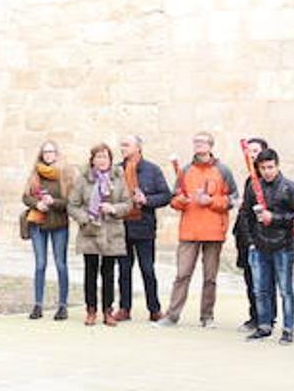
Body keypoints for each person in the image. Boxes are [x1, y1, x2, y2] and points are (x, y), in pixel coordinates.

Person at [159, 132, 238, 328]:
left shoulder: (223, 170)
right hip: (189, 230)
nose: (198, 145)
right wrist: (181, 201)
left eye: (202, 142)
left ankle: (207, 316)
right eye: (196, 142)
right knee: (182, 274)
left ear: (211, 146)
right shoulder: (185, 170)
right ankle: (171, 316)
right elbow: (174, 198)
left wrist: (212, 201)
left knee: (210, 277)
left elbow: (233, 199)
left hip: (213, 231)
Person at [236, 148, 294, 344]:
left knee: (285, 290)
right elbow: (246, 216)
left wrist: (273, 218)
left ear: (277, 165)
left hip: (283, 245)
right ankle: (264, 326)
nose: (267, 171)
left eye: (270, 167)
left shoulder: (290, 188)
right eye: (263, 168)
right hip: (259, 245)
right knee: (261, 289)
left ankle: (288, 329)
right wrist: (250, 242)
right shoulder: (252, 188)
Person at [66, 144, 131, 326]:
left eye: (105, 157)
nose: (102, 160)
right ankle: (91, 310)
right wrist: (85, 218)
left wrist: (113, 208)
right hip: (90, 231)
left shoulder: (118, 178)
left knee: (109, 273)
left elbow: (128, 203)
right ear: (92, 160)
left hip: (112, 232)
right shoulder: (84, 180)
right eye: (98, 157)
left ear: (110, 160)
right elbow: (72, 205)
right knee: (90, 272)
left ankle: (108, 311)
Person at [117, 134, 172, 322]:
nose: (122, 148)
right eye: (122, 145)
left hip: (144, 227)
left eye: (126, 144)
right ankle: (124, 308)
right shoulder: (117, 170)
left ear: (138, 148)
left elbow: (166, 196)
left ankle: (154, 309)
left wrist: (146, 200)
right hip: (121, 227)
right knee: (124, 270)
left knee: (147, 269)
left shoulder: (152, 170)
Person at [22, 141, 71, 321]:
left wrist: (53, 202)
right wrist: (38, 204)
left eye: (51, 151)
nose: (48, 155)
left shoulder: (65, 174)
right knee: (40, 264)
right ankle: (38, 305)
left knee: (60, 264)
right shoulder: (35, 173)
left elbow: (71, 202)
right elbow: (25, 196)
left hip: (59, 224)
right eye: (45, 152)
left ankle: (63, 305)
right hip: (39, 223)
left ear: (57, 154)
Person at [232, 137, 270, 333]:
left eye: (256, 151)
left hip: (262, 238)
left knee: (263, 282)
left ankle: (266, 318)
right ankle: (255, 316)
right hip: (246, 237)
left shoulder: (268, 179)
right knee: (250, 280)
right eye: (250, 151)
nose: (252, 155)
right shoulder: (250, 178)